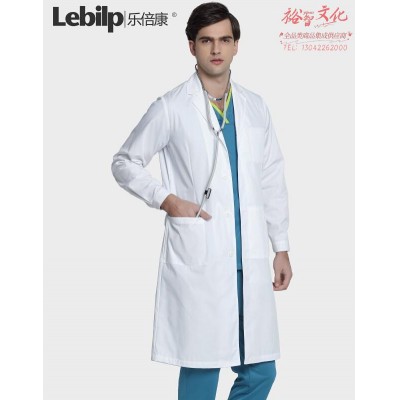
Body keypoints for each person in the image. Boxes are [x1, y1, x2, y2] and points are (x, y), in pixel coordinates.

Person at [111, 2, 293, 399]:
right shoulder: (172, 106)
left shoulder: (255, 106)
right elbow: (124, 162)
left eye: (224, 40)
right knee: (202, 368)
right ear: (192, 46)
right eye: (206, 40)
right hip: (202, 254)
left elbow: (271, 177)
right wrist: (167, 200)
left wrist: (280, 245)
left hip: (249, 257)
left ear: (236, 45)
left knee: (261, 371)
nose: (216, 49)